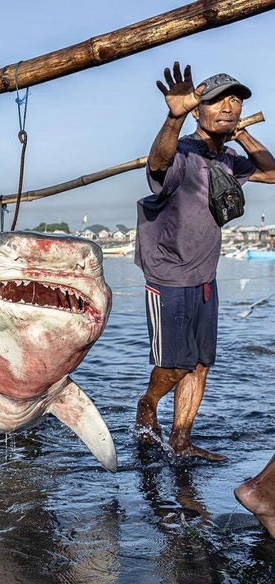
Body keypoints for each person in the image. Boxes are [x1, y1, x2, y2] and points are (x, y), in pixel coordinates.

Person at [134, 63, 275, 461]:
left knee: (199, 364)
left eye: (235, 100)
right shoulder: (180, 152)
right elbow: (158, 163)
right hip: (169, 273)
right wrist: (173, 116)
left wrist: (241, 132)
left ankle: (181, 439)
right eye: (216, 100)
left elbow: (272, 171)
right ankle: (148, 404)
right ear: (199, 110)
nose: (228, 106)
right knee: (175, 365)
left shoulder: (229, 158)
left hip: (205, 275)